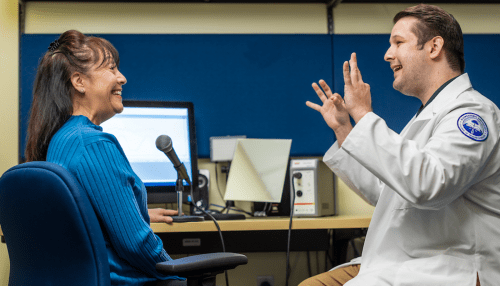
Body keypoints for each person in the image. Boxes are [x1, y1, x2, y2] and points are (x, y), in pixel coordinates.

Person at [301, 4, 500, 286]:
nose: (387, 54)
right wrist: (345, 130)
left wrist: (364, 115)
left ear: (434, 47)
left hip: (451, 267)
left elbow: (428, 185)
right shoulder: (427, 116)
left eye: (398, 42)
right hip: (404, 262)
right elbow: (385, 192)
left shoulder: (472, 114)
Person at [25, 30, 186, 286]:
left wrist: (134, 213)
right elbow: (136, 244)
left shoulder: (62, 139)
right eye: (111, 69)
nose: (122, 77)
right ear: (79, 82)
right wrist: (178, 273)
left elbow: (84, 216)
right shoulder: (92, 144)